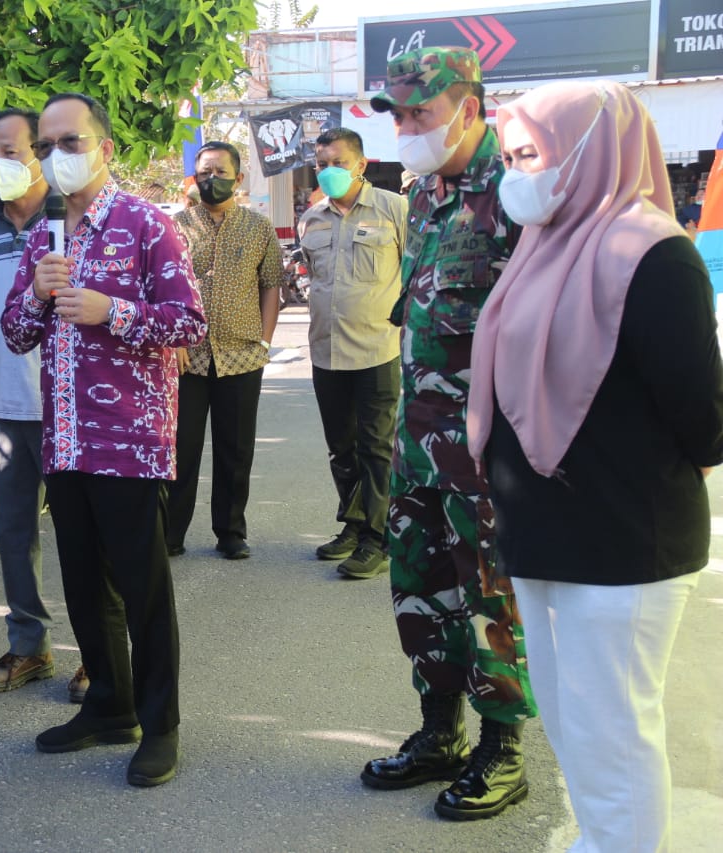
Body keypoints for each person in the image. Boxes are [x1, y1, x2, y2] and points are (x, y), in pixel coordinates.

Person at [468, 80, 723, 852]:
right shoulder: (543, 245)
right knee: (574, 729)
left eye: (531, 154)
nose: (517, 173)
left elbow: (704, 419)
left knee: (613, 736)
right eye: (511, 156)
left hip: (623, 543)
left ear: (592, 151)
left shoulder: (655, 255)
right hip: (544, 536)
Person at [1, 92, 206, 787]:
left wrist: (108, 310)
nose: (56, 155)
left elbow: (189, 322)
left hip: (130, 442)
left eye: (71, 141)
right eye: (47, 145)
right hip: (65, 441)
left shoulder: (147, 224)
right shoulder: (43, 236)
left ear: (104, 148)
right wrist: (36, 294)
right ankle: (110, 705)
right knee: (85, 586)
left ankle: (160, 723)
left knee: (142, 591)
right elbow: (14, 334)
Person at [360, 48, 536, 820]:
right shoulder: (426, 195)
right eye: (397, 114)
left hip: (487, 450)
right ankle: (440, 730)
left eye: (419, 112)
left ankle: (503, 746)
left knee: (489, 593)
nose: (405, 127)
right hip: (418, 442)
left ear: (468, 108)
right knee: (420, 585)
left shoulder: (517, 193)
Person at [0, 107, 90, 701]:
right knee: (15, 537)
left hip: (72, 407)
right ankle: (29, 647)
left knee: (84, 537)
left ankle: (97, 654)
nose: (0, 164)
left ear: (39, 154)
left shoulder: (75, 217)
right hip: (6, 407)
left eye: (11, 152)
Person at [297, 128, 407, 578]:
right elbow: (314, 278)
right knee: (340, 447)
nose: (328, 171)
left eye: (338, 163)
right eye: (321, 164)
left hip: (378, 349)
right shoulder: (312, 219)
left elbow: (415, 271)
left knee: (376, 448)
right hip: (326, 350)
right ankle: (354, 523)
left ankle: (378, 540)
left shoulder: (394, 209)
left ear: (361, 165)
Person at [165, 141, 282, 560]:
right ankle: (170, 533)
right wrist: (173, 340)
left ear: (238, 177)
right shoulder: (175, 227)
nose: (211, 179)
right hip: (188, 358)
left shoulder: (259, 227)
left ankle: (231, 532)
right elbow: (162, 285)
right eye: (204, 172)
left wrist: (264, 340)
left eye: (219, 172)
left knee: (236, 450)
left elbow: (271, 284)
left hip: (242, 356)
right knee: (181, 449)